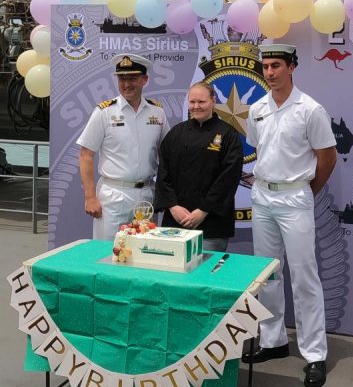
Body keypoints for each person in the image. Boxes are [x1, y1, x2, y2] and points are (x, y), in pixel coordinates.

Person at [241, 44, 337, 387]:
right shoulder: (257, 109)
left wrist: (307, 192)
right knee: (267, 275)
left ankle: (314, 354)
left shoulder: (310, 109)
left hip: (296, 196)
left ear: (292, 67)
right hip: (263, 197)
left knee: (304, 276)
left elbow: (327, 157)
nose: (270, 72)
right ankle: (273, 340)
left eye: (276, 65)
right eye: (266, 66)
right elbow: (257, 147)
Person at [77, 53, 170, 240]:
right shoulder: (104, 112)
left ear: (145, 80)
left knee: (144, 251)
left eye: (132, 78)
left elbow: (167, 153)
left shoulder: (157, 112)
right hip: (113, 195)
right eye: (122, 78)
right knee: (108, 253)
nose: (126, 84)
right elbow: (86, 155)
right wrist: (90, 197)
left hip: (146, 195)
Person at [154, 82, 243, 252]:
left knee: (207, 274)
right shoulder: (176, 133)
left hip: (211, 223)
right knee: (171, 274)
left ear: (213, 101)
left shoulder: (228, 135)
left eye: (201, 102)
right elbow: (163, 173)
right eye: (192, 102)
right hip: (175, 221)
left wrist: (203, 210)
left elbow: (228, 179)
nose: (196, 107)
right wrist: (172, 206)